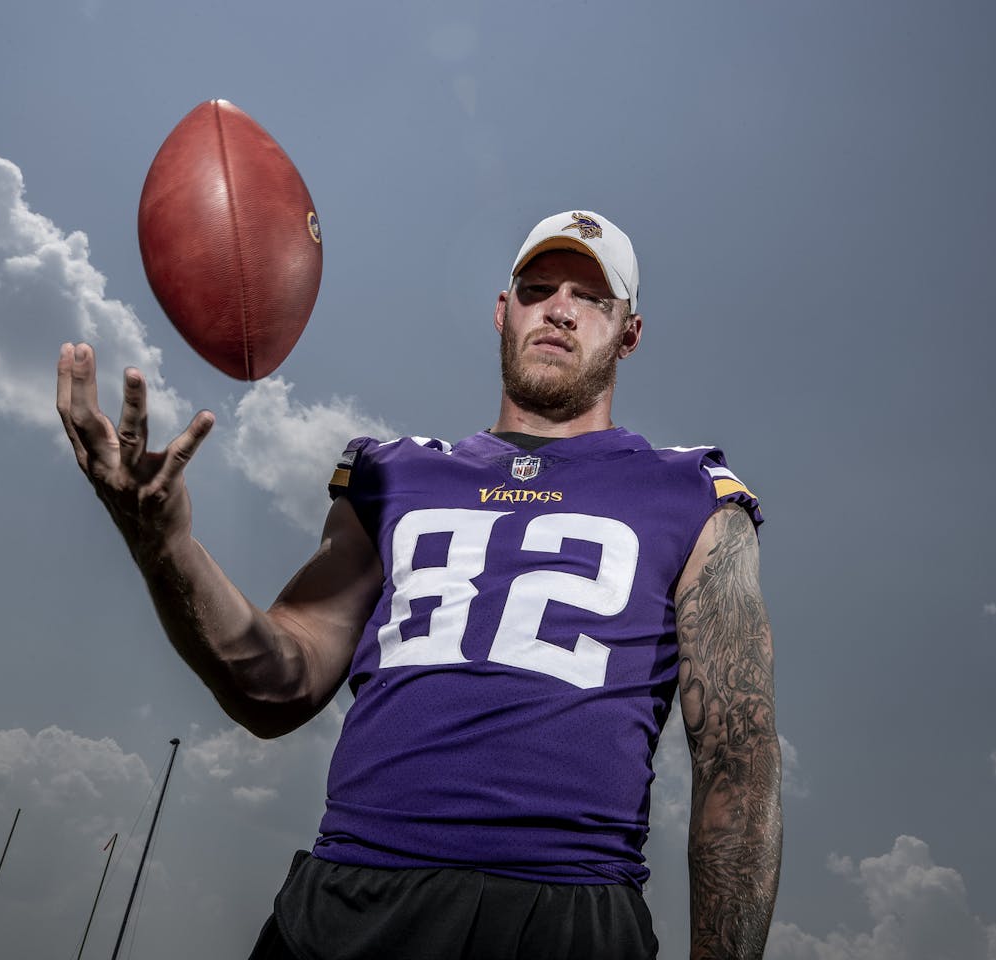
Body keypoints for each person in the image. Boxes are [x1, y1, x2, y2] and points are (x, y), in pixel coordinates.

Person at [56, 210, 782, 959]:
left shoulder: (693, 493)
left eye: (592, 299)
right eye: (537, 289)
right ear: (504, 312)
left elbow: (739, 760)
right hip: (352, 899)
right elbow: (276, 685)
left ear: (629, 332)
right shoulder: (394, 473)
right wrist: (163, 544)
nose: (559, 309)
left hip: (564, 912)